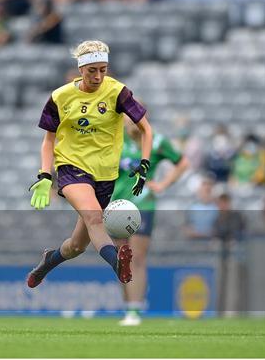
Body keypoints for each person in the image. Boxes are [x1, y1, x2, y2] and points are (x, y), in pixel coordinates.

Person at [27, 40, 153, 288]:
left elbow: (146, 129)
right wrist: (44, 175)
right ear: (80, 69)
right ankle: (117, 263)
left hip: (105, 176)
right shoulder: (60, 97)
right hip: (72, 168)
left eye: (103, 70)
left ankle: (47, 262)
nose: (98, 77)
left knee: (76, 246)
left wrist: (145, 164)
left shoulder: (117, 93)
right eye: (91, 70)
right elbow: (48, 140)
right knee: (96, 218)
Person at [113, 116, 189, 326]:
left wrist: (163, 184)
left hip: (143, 205)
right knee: (121, 260)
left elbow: (182, 163)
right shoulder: (115, 139)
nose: (131, 122)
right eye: (127, 118)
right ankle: (129, 308)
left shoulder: (156, 141)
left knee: (136, 258)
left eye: (135, 118)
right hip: (117, 205)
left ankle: (135, 311)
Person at [184, 176, 218, 240]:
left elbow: (218, 229)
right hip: (194, 242)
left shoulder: (217, 208)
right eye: (204, 190)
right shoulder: (192, 208)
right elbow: (187, 228)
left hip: (211, 243)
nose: (206, 193)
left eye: (208, 191)